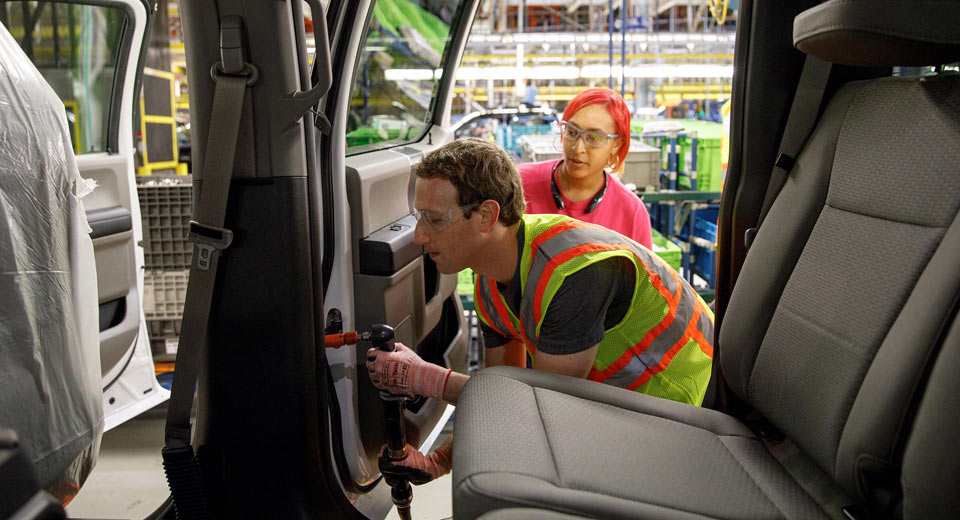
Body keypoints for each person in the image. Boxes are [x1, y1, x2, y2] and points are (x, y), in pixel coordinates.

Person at [367, 138, 714, 485]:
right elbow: (503, 393)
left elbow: (542, 409)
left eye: (434, 219)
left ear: (487, 215)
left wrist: (426, 379)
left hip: (676, 401)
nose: (419, 236)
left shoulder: (574, 275)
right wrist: (439, 461)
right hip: (618, 401)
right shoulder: (490, 278)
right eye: (418, 217)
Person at [518, 88, 653, 249]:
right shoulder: (520, 183)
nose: (578, 147)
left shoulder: (631, 213)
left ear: (616, 144)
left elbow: (643, 273)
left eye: (594, 137)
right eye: (572, 131)